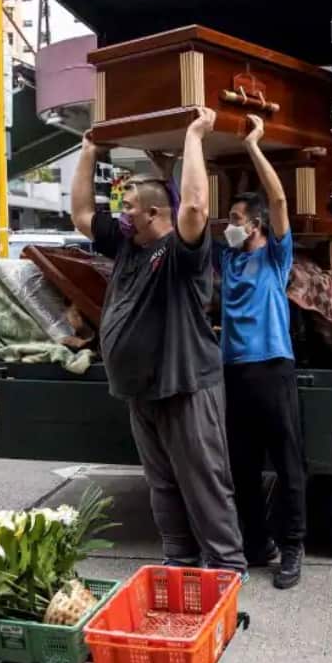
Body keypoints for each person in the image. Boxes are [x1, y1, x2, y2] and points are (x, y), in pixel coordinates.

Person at [71, 109, 246, 576]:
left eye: (129, 208)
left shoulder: (180, 252)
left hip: (186, 384)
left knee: (203, 481)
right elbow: (82, 214)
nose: (121, 214)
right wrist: (89, 151)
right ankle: (179, 559)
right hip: (142, 389)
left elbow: (193, 208)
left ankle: (226, 567)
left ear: (152, 214)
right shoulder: (129, 245)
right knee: (163, 483)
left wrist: (194, 137)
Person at [218, 114, 306, 589]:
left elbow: (277, 199)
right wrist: (165, 163)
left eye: (234, 221)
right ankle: (257, 544)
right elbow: (185, 208)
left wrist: (255, 145)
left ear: (254, 225)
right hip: (234, 372)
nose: (227, 227)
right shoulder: (228, 257)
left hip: (273, 368)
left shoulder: (275, 255)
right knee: (243, 468)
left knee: (288, 463)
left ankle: (293, 548)